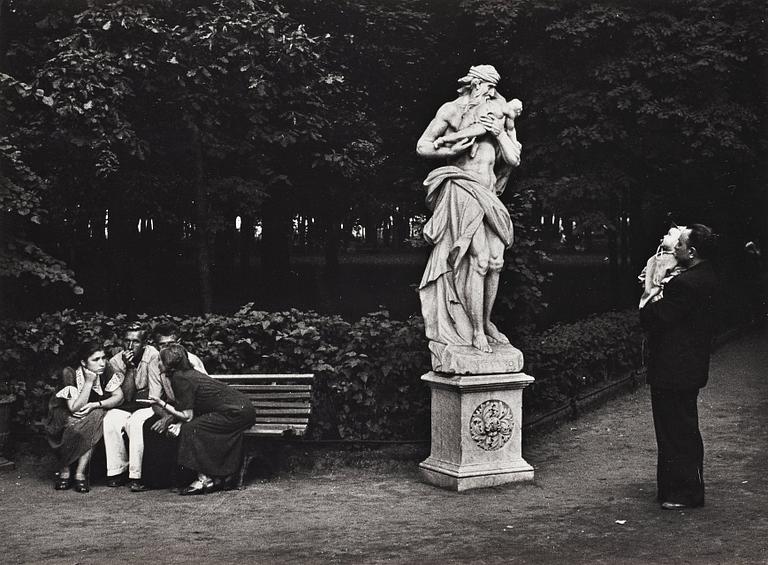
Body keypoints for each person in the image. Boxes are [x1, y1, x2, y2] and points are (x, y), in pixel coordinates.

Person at [416, 64, 522, 360]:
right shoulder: (452, 110)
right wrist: (449, 152)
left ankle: (486, 322)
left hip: (490, 194)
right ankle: (475, 330)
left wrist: (500, 133)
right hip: (463, 189)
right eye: (488, 86)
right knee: (480, 259)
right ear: (475, 84)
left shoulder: (498, 112)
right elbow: (423, 145)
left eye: (494, 88)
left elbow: (513, 158)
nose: (492, 92)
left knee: (497, 261)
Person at [639, 224, 719, 510]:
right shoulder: (705, 275)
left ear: (693, 251)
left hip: (674, 368)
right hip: (688, 366)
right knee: (681, 428)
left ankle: (684, 492)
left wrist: (652, 290)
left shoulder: (684, 284)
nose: (676, 249)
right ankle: (679, 489)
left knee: (675, 431)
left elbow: (651, 317)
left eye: (681, 245)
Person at [140, 344, 255, 495]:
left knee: (190, 430)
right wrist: (179, 423)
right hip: (239, 410)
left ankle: (205, 479)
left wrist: (161, 403)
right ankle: (213, 476)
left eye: (160, 360)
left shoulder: (180, 379)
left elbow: (187, 416)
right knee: (193, 427)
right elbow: (192, 411)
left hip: (236, 413)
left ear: (169, 364)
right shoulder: (186, 374)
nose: (158, 364)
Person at [45, 341, 124, 493]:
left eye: (103, 358)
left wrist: (97, 404)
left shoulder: (106, 368)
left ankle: (80, 473)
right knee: (71, 422)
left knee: (97, 417)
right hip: (62, 412)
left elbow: (119, 396)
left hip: (89, 409)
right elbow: (74, 408)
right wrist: (88, 382)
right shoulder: (70, 372)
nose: (101, 363)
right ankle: (65, 470)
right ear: (83, 362)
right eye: (96, 360)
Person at [138, 321, 208, 490]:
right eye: (162, 345)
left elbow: (201, 397)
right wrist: (164, 418)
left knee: (183, 429)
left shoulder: (191, 361)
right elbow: (155, 398)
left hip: (196, 407)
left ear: (180, 342)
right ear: (156, 345)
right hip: (173, 407)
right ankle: (157, 481)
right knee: (150, 426)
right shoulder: (156, 362)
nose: (167, 348)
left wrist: (171, 418)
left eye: (171, 344)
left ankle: (182, 480)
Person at [102, 323, 160, 490]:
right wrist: (130, 368)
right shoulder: (115, 361)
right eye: (127, 341)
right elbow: (126, 396)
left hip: (150, 404)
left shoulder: (154, 356)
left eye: (135, 342)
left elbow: (152, 393)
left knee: (135, 423)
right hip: (129, 404)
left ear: (145, 342)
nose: (129, 346)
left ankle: (137, 475)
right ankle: (117, 470)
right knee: (110, 419)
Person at [638, 225, 686, 308]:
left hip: (662, 293)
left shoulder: (676, 258)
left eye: (669, 235)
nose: (664, 236)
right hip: (649, 291)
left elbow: (679, 271)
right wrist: (643, 278)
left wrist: (668, 279)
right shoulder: (656, 257)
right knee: (647, 306)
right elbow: (648, 268)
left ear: (676, 242)